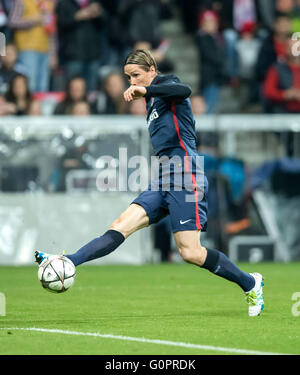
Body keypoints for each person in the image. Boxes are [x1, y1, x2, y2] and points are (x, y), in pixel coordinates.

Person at [35, 49, 264, 317]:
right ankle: (67, 261)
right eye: (128, 78)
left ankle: (251, 283)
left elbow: (185, 89)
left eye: (136, 76)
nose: (132, 82)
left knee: (190, 252)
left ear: (152, 70)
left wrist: (148, 91)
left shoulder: (167, 87)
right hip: (164, 177)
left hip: (186, 176)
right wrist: (146, 94)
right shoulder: (152, 101)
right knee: (120, 225)